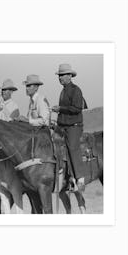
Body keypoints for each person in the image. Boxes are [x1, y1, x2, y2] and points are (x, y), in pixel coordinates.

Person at [52, 63, 86, 192]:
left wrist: (60, 108)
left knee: (72, 147)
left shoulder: (76, 90)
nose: (60, 78)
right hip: (64, 126)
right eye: (59, 75)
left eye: (62, 75)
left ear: (70, 75)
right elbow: (66, 112)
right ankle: (69, 178)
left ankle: (80, 179)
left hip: (74, 126)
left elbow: (77, 108)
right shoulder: (63, 91)